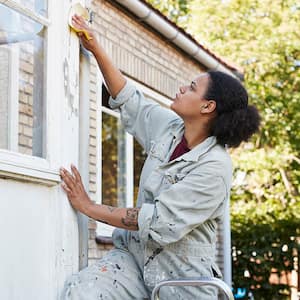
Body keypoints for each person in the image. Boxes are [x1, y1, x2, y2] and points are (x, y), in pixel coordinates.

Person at [60, 14, 260, 300]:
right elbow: (129, 100)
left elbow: (156, 222)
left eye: (192, 87)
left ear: (207, 106)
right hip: (134, 262)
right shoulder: (169, 128)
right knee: (82, 294)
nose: (182, 88)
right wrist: (96, 46)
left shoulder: (215, 168)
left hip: (181, 280)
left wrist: (89, 207)